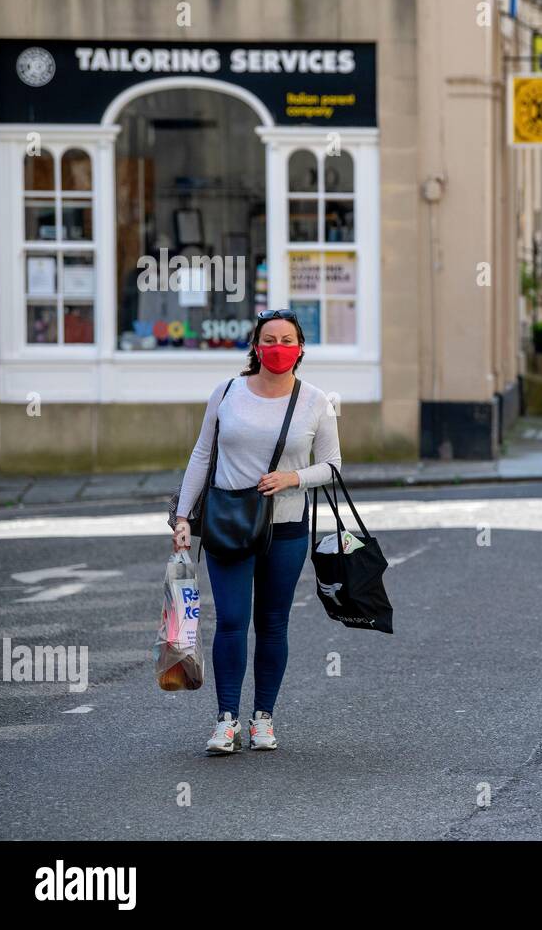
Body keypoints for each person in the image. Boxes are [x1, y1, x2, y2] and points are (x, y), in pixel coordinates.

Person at [171, 309, 341, 755]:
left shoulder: (316, 402)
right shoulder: (227, 393)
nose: (278, 347)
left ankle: (262, 717)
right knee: (230, 620)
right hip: (228, 524)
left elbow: (332, 466)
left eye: (287, 340)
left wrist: (293, 479)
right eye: (270, 339)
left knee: (271, 623)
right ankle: (226, 720)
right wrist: (184, 516)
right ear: (256, 347)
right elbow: (201, 456)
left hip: (285, 527)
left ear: (300, 348)